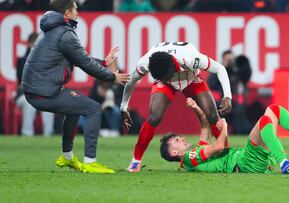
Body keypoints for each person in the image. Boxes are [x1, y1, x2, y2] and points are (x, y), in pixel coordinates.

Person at [21, 0, 130, 173]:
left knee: (75, 107)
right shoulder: (65, 34)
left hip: (37, 90)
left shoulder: (51, 29)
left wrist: (103, 62)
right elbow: (85, 63)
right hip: (44, 92)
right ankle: (90, 162)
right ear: (67, 13)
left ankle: (67, 157)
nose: (78, 13)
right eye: (75, 9)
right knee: (93, 108)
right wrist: (111, 76)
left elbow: (78, 58)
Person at [121, 41, 232, 172]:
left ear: (174, 66)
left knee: (212, 115)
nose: (167, 79)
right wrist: (124, 106)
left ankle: (226, 156)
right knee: (154, 117)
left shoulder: (191, 57)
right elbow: (132, 80)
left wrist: (227, 96)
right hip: (166, 83)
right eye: (162, 77)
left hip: (190, 78)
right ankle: (136, 161)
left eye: (167, 76)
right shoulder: (146, 62)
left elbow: (219, 68)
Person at [160, 98, 289, 174]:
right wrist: (224, 127)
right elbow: (219, 147)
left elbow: (205, 127)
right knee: (266, 119)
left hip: (248, 162)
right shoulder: (189, 158)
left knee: (274, 111)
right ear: (175, 154)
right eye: (176, 141)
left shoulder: (195, 155)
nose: (181, 139)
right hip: (244, 163)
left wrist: (196, 108)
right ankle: (284, 161)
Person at [15, 32, 55, 137]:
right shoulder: (22, 61)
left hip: (41, 94)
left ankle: (48, 134)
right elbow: (22, 83)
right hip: (25, 94)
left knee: (48, 103)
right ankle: (27, 134)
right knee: (29, 102)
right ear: (29, 44)